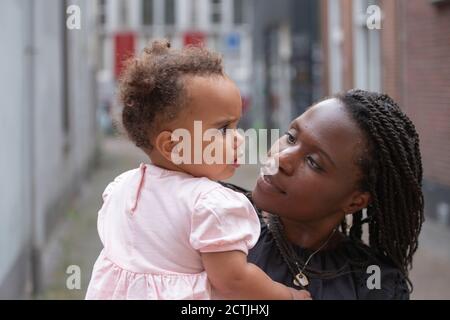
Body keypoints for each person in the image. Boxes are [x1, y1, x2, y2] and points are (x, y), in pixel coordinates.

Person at [85, 40, 310, 300]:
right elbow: (235, 281)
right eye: (224, 129)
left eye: (238, 126)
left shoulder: (122, 188)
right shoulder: (210, 205)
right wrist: (289, 296)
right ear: (173, 145)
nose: (240, 139)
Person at [223, 89, 424, 299]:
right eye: (291, 138)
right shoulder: (213, 217)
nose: (282, 159)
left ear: (355, 201)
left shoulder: (375, 285)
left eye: (313, 162)